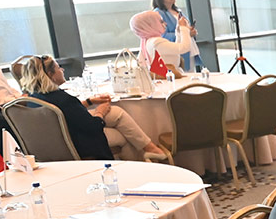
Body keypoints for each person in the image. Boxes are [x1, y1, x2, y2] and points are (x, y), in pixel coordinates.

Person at [15, 55, 167, 161]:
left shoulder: (35, 97)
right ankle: (137, 168)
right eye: (58, 68)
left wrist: (89, 101)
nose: (62, 70)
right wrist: (100, 112)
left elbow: (63, 113)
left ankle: (150, 149)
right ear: (51, 75)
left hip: (56, 141)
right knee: (124, 136)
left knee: (116, 113)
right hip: (77, 143)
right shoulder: (63, 99)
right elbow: (93, 127)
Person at [152, 0, 202, 72]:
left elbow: (185, 28)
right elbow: (162, 35)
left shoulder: (178, 11)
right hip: (177, 50)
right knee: (184, 74)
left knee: (191, 73)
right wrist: (184, 33)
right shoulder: (158, 13)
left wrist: (190, 31)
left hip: (189, 48)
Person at [130, 10, 196, 75]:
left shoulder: (150, 41)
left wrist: (178, 32)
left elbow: (176, 49)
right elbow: (184, 48)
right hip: (170, 77)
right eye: (161, 21)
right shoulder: (156, 42)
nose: (165, 23)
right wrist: (184, 28)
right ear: (151, 25)